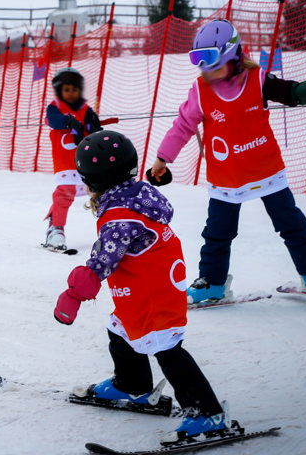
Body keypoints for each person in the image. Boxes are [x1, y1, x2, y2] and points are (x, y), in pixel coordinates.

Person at [148, 19, 306, 303]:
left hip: (266, 171)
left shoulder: (257, 80)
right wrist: (163, 158)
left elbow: (289, 92)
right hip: (226, 177)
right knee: (217, 234)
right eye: (199, 63)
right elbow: (183, 126)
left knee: (292, 225)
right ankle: (213, 284)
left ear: (232, 55)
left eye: (212, 62)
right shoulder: (200, 91)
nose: (207, 71)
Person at [55, 130, 229, 444]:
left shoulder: (120, 218)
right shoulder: (135, 194)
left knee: (166, 349)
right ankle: (132, 386)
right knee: (120, 330)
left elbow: (101, 261)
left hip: (153, 292)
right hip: (145, 285)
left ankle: (206, 413)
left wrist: (74, 293)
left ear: (94, 181)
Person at [43, 67, 103, 250]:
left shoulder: (85, 108)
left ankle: (110, 228)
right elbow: (53, 120)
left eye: (75, 90)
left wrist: (93, 124)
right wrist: (68, 121)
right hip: (65, 161)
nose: (71, 94)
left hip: (87, 160)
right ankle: (55, 229)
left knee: (100, 192)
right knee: (65, 193)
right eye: (66, 90)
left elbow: (94, 127)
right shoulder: (55, 107)